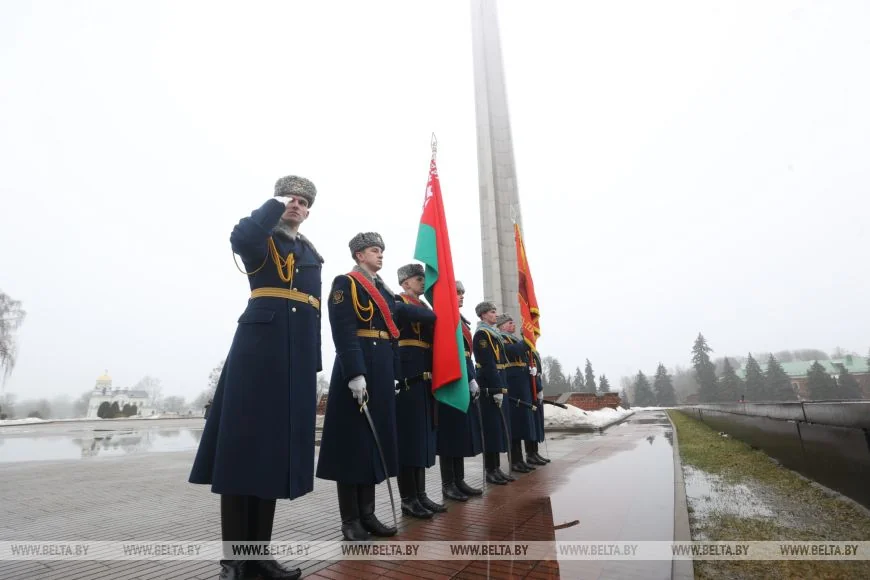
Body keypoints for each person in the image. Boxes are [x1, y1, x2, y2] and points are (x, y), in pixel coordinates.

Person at [189, 176, 322, 580]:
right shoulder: (261, 238)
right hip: (256, 356)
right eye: (291, 199)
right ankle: (234, 560)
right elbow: (240, 235)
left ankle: (259, 556)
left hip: (295, 362)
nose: (296, 205)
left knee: (272, 459)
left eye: (303, 202)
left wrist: (313, 363)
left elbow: (313, 311)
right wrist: (273, 204)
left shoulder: (310, 252)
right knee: (241, 455)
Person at [316, 232, 400, 541]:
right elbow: (343, 329)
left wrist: (394, 371)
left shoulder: (384, 291)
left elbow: (393, 333)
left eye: (381, 250)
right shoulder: (346, 283)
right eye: (374, 250)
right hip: (359, 367)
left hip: (381, 368)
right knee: (352, 445)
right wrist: (354, 372)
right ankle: (350, 519)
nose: (380, 254)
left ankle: (368, 514)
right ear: (359, 255)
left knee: (373, 445)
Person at [393, 263, 446, 518]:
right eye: (417, 279)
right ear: (405, 283)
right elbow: (411, 315)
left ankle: (420, 494)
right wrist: (439, 313)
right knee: (409, 440)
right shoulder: (397, 301)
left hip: (425, 379)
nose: (423, 282)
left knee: (422, 439)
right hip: (408, 379)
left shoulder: (424, 306)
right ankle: (408, 498)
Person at [436, 281, 483, 501]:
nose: (462, 296)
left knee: (460, 433)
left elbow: (466, 355)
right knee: (450, 434)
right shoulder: (444, 317)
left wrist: (472, 378)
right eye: (457, 293)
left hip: (463, 377)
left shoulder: (460, 320)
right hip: (451, 380)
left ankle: (459, 480)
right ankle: (448, 484)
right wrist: (469, 378)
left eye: (463, 293)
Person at [472, 302, 514, 485]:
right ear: (483, 315)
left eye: (495, 311)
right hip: (490, 384)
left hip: (499, 379)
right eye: (492, 312)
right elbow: (488, 364)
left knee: (498, 428)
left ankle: (496, 468)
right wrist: (496, 388)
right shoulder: (482, 334)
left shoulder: (493, 333)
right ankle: (490, 470)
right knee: (492, 428)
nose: (495, 315)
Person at [496, 313, 537, 473]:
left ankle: (521, 459)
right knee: (514, 425)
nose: (513, 325)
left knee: (522, 423)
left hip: (521, 384)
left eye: (513, 322)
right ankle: (514, 461)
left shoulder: (513, 339)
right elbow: (515, 351)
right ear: (502, 326)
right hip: (512, 384)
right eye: (510, 323)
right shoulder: (502, 339)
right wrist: (527, 337)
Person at [525, 348, 551, 464]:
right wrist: (538, 388)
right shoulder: (527, 351)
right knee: (531, 423)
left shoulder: (534, 352)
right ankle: (530, 453)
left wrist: (539, 387)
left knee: (536, 422)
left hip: (536, 385)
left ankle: (534, 452)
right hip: (531, 390)